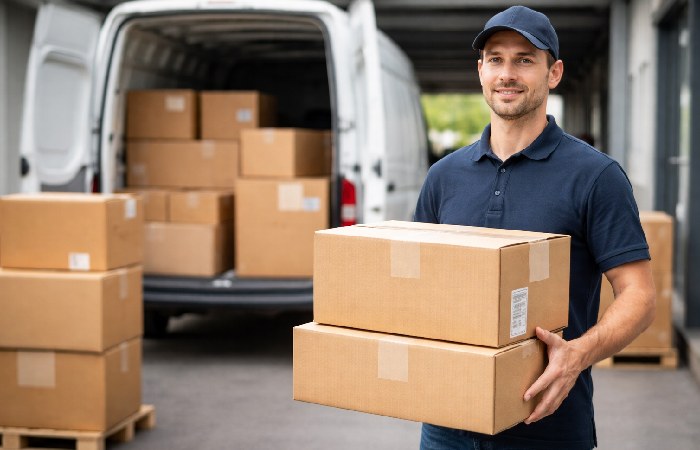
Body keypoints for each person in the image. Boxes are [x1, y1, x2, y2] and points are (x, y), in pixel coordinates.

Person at [414, 5, 656, 450]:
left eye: (525, 59)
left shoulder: (595, 176)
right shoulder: (444, 177)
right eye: (496, 58)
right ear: (481, 71)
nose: (507, 73)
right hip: (445, 425)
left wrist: (578, 355)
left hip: (548, 427)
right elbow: (418, 286)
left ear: (554, 73)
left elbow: (639, 295)